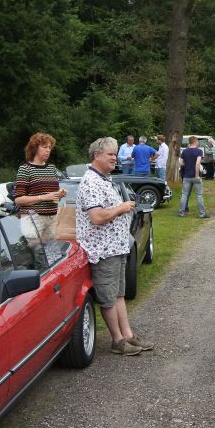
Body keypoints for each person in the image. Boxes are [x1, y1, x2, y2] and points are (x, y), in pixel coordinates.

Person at [75, 137, 155, 357]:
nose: (114, 158)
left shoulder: (104, 179)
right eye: (110, 154)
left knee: (119, 294)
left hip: (116, 248)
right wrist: (121, 208)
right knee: (109, 297)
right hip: (103, 251)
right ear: (96, 155)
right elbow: (97, 217)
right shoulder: (91, 182)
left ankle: (128, 335)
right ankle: (117, 340)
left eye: (115, 153)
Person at [13, 133, 67, 224]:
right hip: (33, 220)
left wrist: (59, 194)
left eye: (49, 147)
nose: (48, 150)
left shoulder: (51, 168)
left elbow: (53, 197)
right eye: (44, 147)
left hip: (52, 218)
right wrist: (44, 197)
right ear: (35, 149)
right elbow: (18, 200)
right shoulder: (25, 169)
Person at [177, 135, 210, 219]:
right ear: (195, 142)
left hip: (186, 176)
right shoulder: (199, 151)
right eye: (198, 141)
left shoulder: (184, 151)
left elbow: (180, 163)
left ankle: (181, 212)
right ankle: (202, 214)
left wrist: (187, 164)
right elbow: (197, 163)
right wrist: (197, 175)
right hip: (195, 176)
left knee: (184, 194)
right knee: (199, 195)